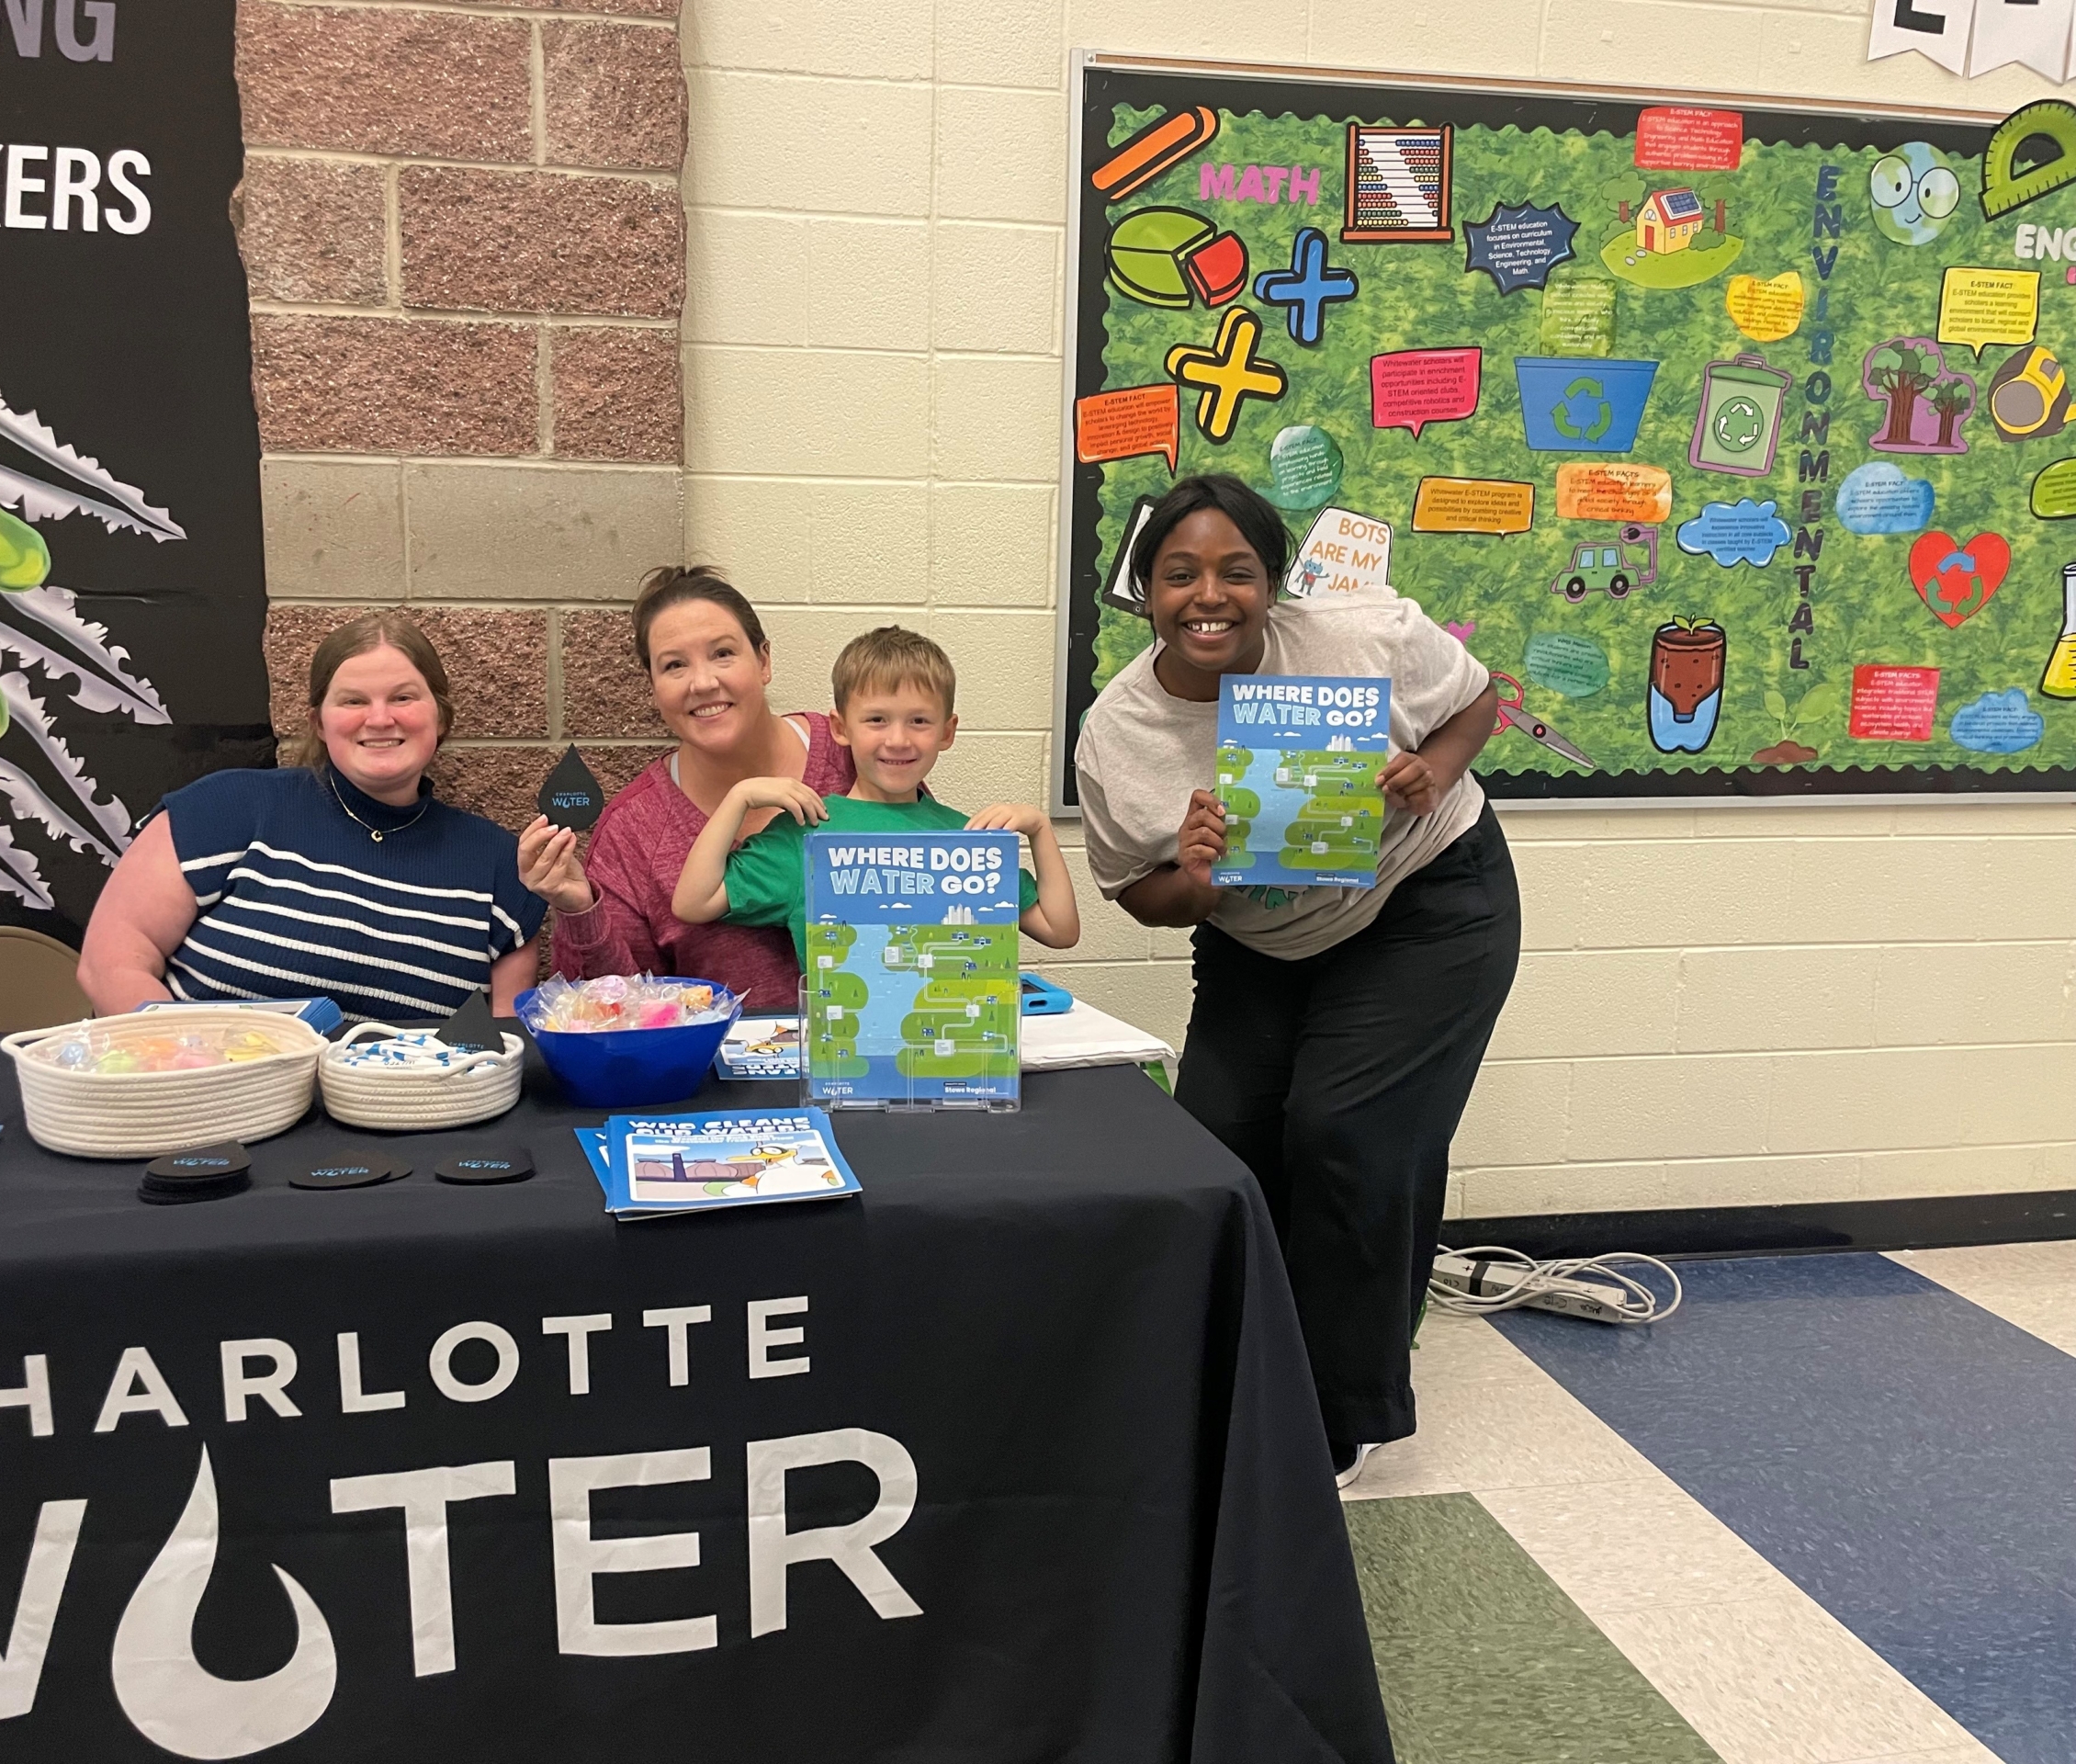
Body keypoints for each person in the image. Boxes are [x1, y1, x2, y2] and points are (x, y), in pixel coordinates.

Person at [1074, 474, 1519, 1488]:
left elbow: (1475, 698)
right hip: (1258, 937)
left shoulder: (1361, 637)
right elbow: (1135, 892)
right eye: (1179, 574)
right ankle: (1234, 1370)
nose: (1209, 596)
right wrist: (1188, 879)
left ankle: (1337, 1410)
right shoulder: (1118, 731)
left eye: (1238, 572)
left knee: (1345, 1132)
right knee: (1216, 1141)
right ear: (1143, 591)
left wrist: (1435, 769)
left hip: (1422, 907)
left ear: (1275, 584)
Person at [78, 610, 553, 1021]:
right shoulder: (225, 808)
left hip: (411, 1116)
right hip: (207, 1102)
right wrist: (183, 1061)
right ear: (319, 724)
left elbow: (503, 1041)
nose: (381, 718)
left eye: (403, 698)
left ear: (441, 718)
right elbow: (111, 962)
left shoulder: (499, 867)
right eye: (353, 701)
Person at [525, 567, 857, 1010]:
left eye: (722, 653)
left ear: (764, 661)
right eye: (675, 665)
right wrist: (579, 909)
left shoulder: (853, 753)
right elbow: (609, 1014)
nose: (702, 683)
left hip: (875, 1063)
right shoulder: (633, 832)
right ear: (653, 687)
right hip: (712, 1075)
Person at [671, 625, 1079, 958]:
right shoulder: (807, 835)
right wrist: (739, 798)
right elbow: (693, 903)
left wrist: (1040, 829)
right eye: (877, 720)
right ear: (841, 728)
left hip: (953, 1047)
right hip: (844, 1052)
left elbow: (1060, 931)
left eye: (919, 720)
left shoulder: (966, 839)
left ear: (947, 732)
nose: (898, 740)